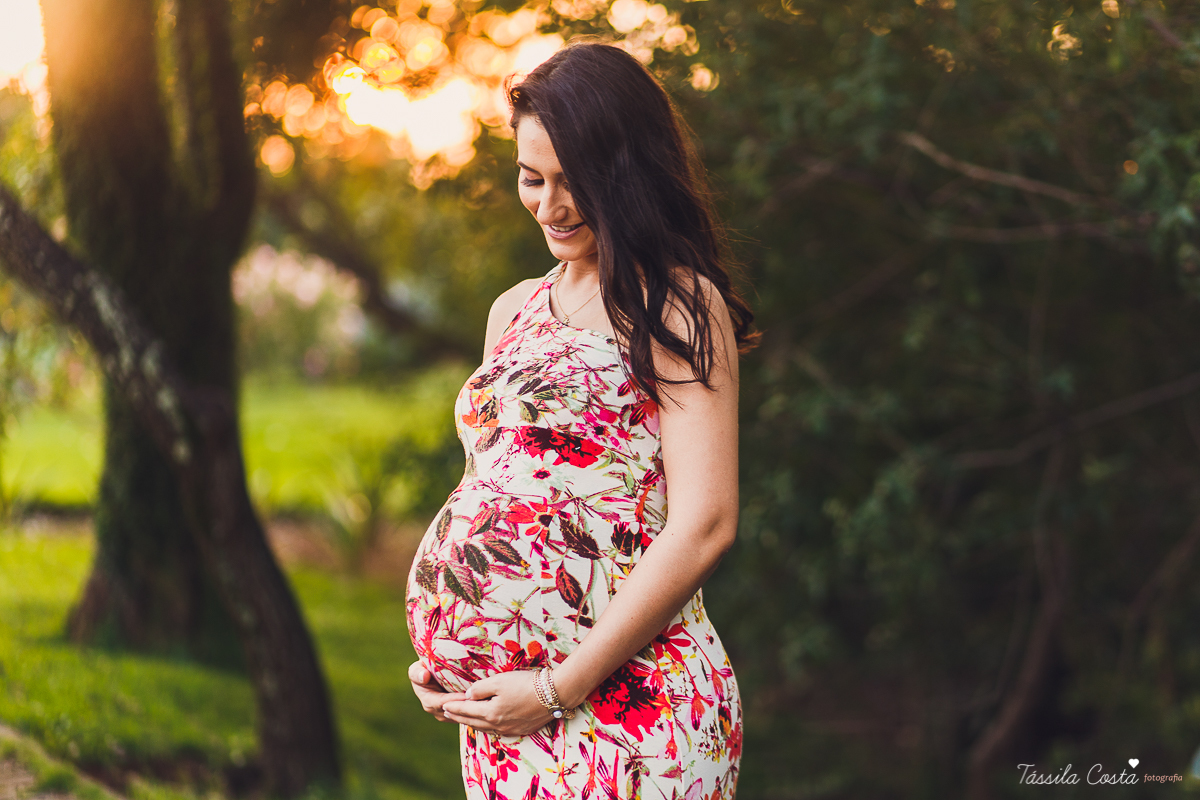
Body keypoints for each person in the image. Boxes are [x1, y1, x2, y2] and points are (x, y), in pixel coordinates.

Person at [405, 42, 757, 800]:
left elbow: (706, 523)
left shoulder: (675, 306)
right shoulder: (513, 311)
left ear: (627, 176)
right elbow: (494, 492)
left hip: (631, 709)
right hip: (507, 718)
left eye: (577, 183)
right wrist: (449, 655)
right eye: (532, 178)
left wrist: (560, 687)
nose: (550, 206)